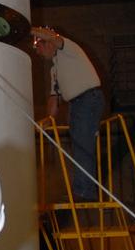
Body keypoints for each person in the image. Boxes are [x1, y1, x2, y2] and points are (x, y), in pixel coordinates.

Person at [31, 26, 104, 200]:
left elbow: (55, 37)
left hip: (88, 99)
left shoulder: (68, 49)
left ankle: (84, 191)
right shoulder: (54, 70)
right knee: (79, 145)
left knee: (82, 145)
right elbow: (54, 96)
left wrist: (28, 29)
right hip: (77, 104)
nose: (38, 53)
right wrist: (49, 119)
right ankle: (82, 188)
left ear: (48, 43)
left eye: (38, 47)